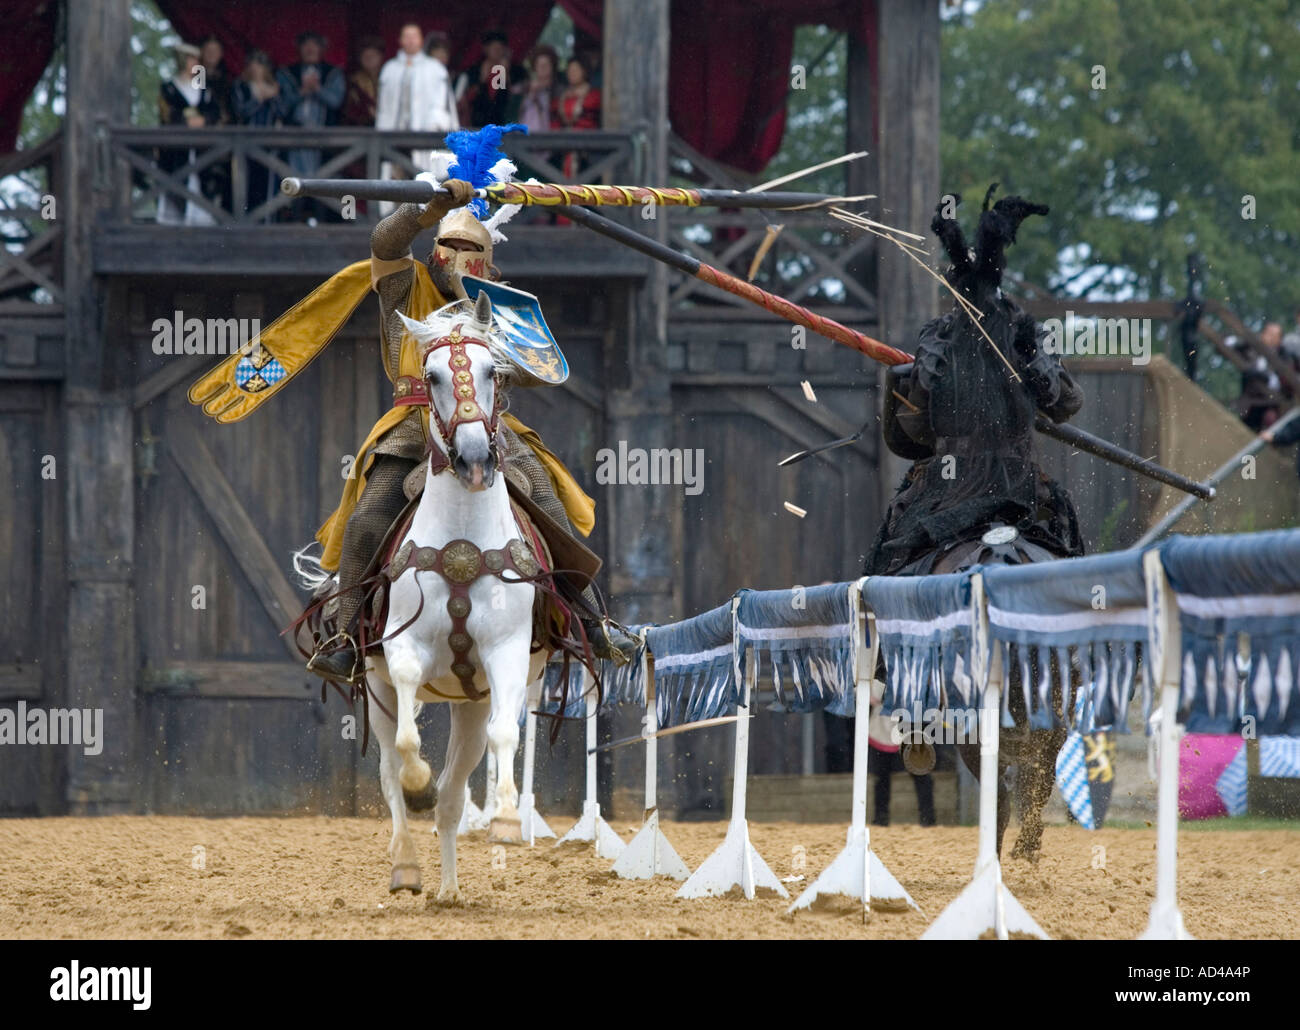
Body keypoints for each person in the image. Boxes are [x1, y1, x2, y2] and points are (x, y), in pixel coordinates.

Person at [301, 127, 637, 683]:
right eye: (448, 246)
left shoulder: (502, 308)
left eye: (468, 250)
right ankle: (344, 631)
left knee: (548, 504)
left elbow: (540, 372)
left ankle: (591, 618)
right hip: (413, 424)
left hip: (488, 427)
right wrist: (426, 207)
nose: (455, 256)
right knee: (367, 518)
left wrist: (480, 325)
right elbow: (385, 241)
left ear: (487, 259)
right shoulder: (404, 286)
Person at [867, 190, 1085, 578]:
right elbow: (1067, 404)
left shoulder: (939, 338)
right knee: (1068, 542)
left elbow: (912, 432)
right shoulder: (1026, 335)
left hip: (945, 489)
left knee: (888, 558)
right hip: (1019, 487)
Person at [377, 22, 458, 192]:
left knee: (427, 182)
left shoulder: (435, 69)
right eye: (407, 37)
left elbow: (442, 106)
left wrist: (435, 125)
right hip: (394, 136)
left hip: (425, 136)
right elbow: (383, 108)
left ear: (421, 40)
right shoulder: (390, 69)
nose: (411, 41)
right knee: (395, 184)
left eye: (414, 37)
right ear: (400, 40)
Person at [276, 31, 345, 223]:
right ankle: (294, 219)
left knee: (323, 181)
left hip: (323, 140)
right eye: (306, 45)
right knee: (293, 180)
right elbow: (281, 104)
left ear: (321, 50)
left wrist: (317, 90)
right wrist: (302, 91)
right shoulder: (287, 73)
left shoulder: (333, 73)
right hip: (294, 139)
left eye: (314, 45)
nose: (310, 49)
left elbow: (336, 101)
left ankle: (320, 219)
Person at [157, 42, 225, 225]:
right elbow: (167, 114)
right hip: (177, 150)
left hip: (201, 150)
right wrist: (186, 122)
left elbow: (214, 112)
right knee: (176, 188)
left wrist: (203, 120)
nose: (194, 63)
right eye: (190, 59)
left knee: (200, 189)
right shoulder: (169, 87)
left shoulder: (203, 88)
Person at [867, 679, 935, 827]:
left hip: (911, 719)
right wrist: (870, 695)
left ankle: (928, 818)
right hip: (883, 723)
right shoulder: (882, 664)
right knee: (881, 775)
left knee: (920, 772)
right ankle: (881, 818)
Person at [230, 50, 282, 219]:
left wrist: (272, 96)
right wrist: (259, 98)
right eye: (253, 65)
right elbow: (240, 112)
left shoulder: (274, 88)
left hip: (269, 146)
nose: (256, 69)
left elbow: (283, 112)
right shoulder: (241, 86)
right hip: (245, 145)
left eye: (260, 65)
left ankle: (267, 221)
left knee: (268, 188)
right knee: (245, 186)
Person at [456, 31, 528, 128]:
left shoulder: (516, 71)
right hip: (477, 124)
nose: (497, 51)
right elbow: (465, 99)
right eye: (494, 48)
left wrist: (505, 75)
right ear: (486, 49)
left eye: (500, 48)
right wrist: (483, 79)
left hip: (504, 126)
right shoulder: (474, 70)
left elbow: (516, 101)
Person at [552, 54, 601, 180]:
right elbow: (556, 121)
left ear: (584, 71)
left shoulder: (593, 95)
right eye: (569, 70)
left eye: (576, 70)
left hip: (587, 150)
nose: (571, 73)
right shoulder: (563, 96)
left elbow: (593, 120)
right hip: (564, 149)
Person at [343, 36, 384, 127]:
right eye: (365, 56)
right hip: (361, 129)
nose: (369, 59)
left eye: (373, 56)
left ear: (381, 57)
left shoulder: (388, 77)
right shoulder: (353, 81)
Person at [519, 45, 558, 135]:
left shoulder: (558, 91)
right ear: (534, 67)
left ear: (552, 66)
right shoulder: (524, 88)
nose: (543, 67)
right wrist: (531, 93)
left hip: (549, 139)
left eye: (546, 64)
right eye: (539, 64)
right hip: (525, 140)